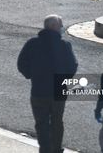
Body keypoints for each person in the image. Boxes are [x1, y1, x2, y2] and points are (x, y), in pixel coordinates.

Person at [17, 15, 78, 153]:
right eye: (60, 25)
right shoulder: (64, 45)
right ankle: (56, 149)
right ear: (53, 26)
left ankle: (44, 149)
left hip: (38, 90)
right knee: (57, 122)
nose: (62, 28)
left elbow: (21, 63)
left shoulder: (32, 43)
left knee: (41, 123)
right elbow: (72, 66)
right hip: (58, 92)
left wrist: (31, 75)